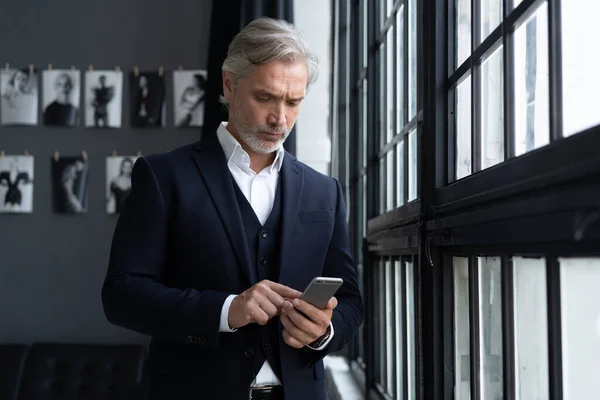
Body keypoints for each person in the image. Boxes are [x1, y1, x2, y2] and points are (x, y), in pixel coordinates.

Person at [102, 17, 363, 400]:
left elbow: (352, 303)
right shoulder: (162, 177)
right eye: (265, 98)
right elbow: (121, 296)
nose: (280, 118)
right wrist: (227, 310)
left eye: (294, 102)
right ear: (229, 83)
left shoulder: (325, 191)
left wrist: (323, 331)